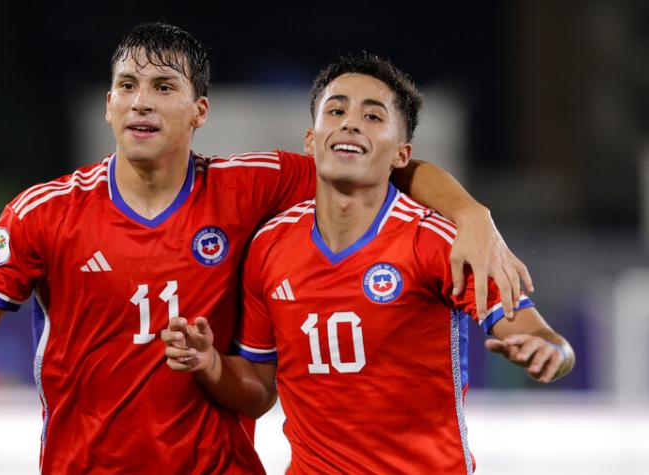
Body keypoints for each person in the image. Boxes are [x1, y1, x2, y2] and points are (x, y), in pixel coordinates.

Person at [0, 24, 532, 474]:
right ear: (107, 105)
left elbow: (378, 166)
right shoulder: (44, 212)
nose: (141, 101)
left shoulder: (251, 186)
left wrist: (470, 213)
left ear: (199, 111)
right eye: (127, 85)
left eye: (164, 87)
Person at [162, 53, 575, 474]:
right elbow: (257, 387)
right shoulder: (269, 246)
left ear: (402, 154)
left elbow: (538, 334)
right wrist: (210, 363)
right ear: (310, 139)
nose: (350, 122)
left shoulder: (436, 242)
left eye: (373, 116)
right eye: (336, 110)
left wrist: (550, 352)